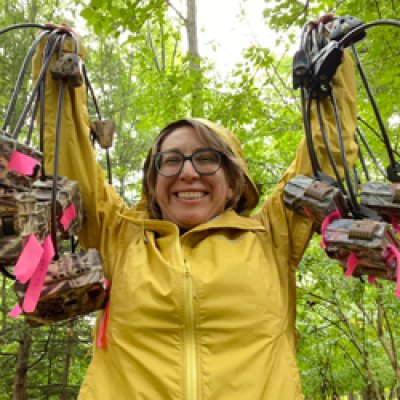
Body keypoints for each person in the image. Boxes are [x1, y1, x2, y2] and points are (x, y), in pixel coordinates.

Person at [32, 21, 358, 400]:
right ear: (153, 182)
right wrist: (58, 60)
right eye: (171, 161)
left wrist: (329, 63)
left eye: (207, 159)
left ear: (234, 182)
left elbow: (325, 157)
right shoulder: (118, 236)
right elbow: (70, 159)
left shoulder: (272, 237)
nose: (188, 172)